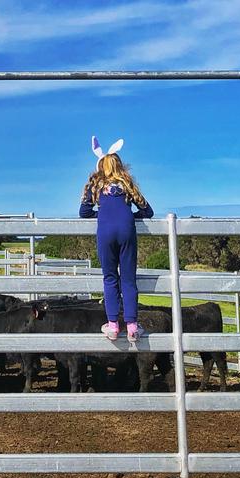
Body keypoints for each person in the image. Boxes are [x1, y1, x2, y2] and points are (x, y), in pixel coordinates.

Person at [79, 136, 153, 342]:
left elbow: (84, 212)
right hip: (127, 232)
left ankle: (113, 325)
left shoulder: (95, 183)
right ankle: (132, 327)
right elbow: (148, 211)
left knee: (110, 278)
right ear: (120, 166)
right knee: (128, 279)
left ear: (100, 165)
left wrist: (101, 216)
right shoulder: (127, 183)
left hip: (105, 233)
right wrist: (129, 216)